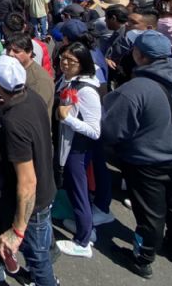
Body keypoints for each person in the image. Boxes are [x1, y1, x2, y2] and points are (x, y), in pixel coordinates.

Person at [101, 31, 172, 278]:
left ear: (140, 55)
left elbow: (111, 130)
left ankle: (143, 258)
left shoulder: (134, 90)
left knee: (149, 214)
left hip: (144, 161)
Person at [0, 55, 58, 286]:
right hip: (46, 191)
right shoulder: (32, 98)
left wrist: (17, 231)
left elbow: (27, 183)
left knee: (38, 259)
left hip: (33, 205)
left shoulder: (13, 122)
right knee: (42, 250)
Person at [55, 42, 103, 258]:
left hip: (78, 148)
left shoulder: (87, 90)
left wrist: (67, 119)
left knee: (79, 191)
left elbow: (95, 131)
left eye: (71, 61)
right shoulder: (68, 80)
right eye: (63, 58)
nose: (65, 63)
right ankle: (83, 226)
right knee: (74, 188)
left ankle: (83, 240)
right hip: (68, 144)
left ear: (82, 63)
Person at [5, 32, 55, 119]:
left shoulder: (40, 80)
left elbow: (34, 111)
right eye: (8, 49)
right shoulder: (12, 69)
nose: (10, 54)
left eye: (16, 51)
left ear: (29, 52)